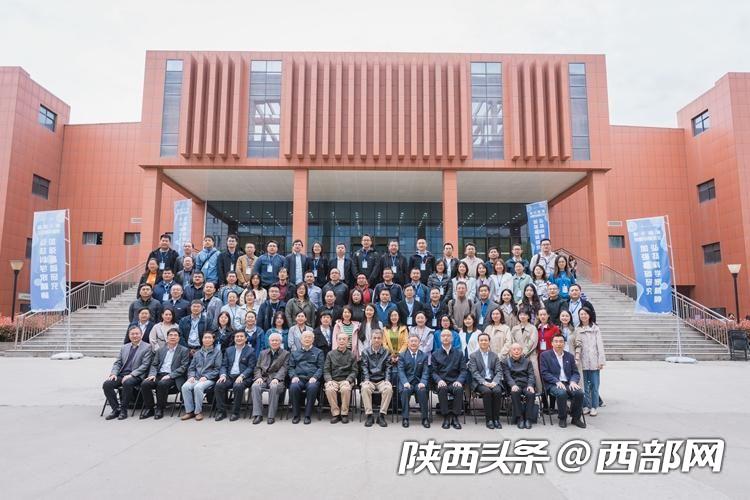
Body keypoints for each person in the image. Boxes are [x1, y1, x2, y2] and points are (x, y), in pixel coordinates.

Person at [103, 326, 153, 420]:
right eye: (132, 334)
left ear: (141, 335)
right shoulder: (124, 347)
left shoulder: (147, 347)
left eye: (137, 333)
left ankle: (123, 410)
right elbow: (118, 362)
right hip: (122, 374)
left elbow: (145, 365)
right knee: (107, 384)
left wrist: (131, 375)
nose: (135, 336)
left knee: (127, 382)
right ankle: (116, 409)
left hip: (137, 375)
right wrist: (113, 373)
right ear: (129, 335)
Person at [139, 328, 190, 419]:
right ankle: (150, 408)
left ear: (179, 338)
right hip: (159, 375)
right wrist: (152, 375)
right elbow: (154, 364)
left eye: (175, 335)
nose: (173, 337)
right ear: (167, 337)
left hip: (174, 376)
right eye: (171, 335)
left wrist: (170, 375)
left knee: (162, 384)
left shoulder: (184, 350)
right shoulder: (160, 350)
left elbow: (183, 367)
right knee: (145, 383)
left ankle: (160, 408)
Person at [540, 332, 586, 428]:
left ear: (564, 344)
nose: (558, 344)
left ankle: (575, 418)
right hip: (553, 383)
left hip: (568, 383)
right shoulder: (545, 355)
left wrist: (573, 381)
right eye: (556, 341)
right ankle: (562, 418)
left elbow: (575, 373)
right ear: (552, 343)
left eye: (561, 341)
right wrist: (556, 381)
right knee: (562, 393)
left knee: (579, 393)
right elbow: (544, 373)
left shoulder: (569, 356)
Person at [214, 331, 256, 422]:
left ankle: (235, 413)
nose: (239, 338)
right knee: (219, 385)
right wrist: (223, 375)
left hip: (243, 377)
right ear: (234, 338)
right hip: (229, 376)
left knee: (238, 386)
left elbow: (251, 367)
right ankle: (221, 412)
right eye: (237, 336)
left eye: (241, 336)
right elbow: (224, 365)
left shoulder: (251, 351)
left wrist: (242, 376)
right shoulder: (229, 350)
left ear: (246, 338)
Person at [180, 330, 222, 421]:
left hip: (209, 379)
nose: (207, 339)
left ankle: (198, 412)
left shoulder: (217, 352)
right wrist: (191, 376)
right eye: (205, 338)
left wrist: (207, 377)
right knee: (185, 387)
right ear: (202, 340)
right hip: (196, 377)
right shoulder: (197, 353)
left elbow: (217, 369)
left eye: (209, 338)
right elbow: (191, 368)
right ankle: (189, 411)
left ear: (213, 340)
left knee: (198, 387)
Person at [431, 329, 467, 429]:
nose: (446, 337)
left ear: (452, 338)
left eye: (448, 336)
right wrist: (439, 380)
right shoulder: (435, 354)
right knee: (442, 389)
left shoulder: (459, 353)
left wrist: (459, 381)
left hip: (455, 381)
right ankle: (446, 416)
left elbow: (463, 370)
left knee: (459, 389)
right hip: (441, 382)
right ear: (440, 338)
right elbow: (433, 372)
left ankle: (455, 417)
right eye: (443, 336)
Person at [251, 332, 290, 424]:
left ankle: (271, 416)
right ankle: (258, 415)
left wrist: (277, 378)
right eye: (272, 340)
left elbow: (284, 368)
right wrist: (258, 377)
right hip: (263, 378)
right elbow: (257, 367)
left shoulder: (286, 354)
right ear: (269, 342)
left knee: (274, 387)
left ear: (280, 342)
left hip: (277, 380)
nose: (274, 342)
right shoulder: (263, 353)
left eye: (277, 340)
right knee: (255, 386)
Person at [468, 332, 504, 429]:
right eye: (481, 340)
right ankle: (489, 420)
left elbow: (499, 371)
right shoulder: (473, 356)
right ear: (478, 342)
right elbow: (474, 372)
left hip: (493, 380)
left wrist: (494, 382)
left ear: (489, 342)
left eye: (485, 340)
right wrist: (484, 382)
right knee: (487, 392)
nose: (483, 342)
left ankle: (496, 419)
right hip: (480, 382)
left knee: (497, 391)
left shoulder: (494, 355)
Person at [289, 331, 325, 424]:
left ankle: (307, 415)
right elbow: (291, 367)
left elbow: (321, 367)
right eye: (305, 337)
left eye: (309, 337)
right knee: (293, 387)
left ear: (313, 340)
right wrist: (293, 376)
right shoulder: (295, 353)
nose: (307, 339)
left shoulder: (319, 352)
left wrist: (315, 377)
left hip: (312, 379)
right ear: (301, 340)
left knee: (312, 387)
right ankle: (296, 415)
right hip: (299, 378)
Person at [501, 307, 540, 391]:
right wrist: (516, 351)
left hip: (530, 354)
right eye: (521, 314)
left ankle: (537, 392)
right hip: (516, 354)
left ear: (528, 316)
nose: (522, 316)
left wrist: (523, 352)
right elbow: (512, 341)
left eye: (525, 315)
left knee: (534, 373)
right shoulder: (514, 328)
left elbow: (532, 342)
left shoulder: (533, 328)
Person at [575, 307, 606, 416]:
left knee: (594, 385)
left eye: (585, 314)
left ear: (589, 315)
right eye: (581, 314)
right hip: (582, 361)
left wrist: (601, 361)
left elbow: (600, 345)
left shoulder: (595, 328)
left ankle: (594, 406)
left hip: (594, 361)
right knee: (584, 386)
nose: (583, 316)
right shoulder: (577, 329)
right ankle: (586, 406)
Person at [397, 333, 431, 428]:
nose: (413, 343)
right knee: (405, 391)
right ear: (408, 343)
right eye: (411, 341)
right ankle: (405, 418)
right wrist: (405, 382)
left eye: (415, 341)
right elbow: (401, 371)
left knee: (422, 390)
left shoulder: (424, 356)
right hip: (407, 382)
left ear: (419, 343)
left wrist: (423, 382)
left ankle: (425, 418)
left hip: (419, 382)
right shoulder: (402, 355)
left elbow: (425, 371)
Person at [360, 330, 393, 427]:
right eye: (374, 338)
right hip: (369, 379)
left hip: (382, 380)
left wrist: (387, 380)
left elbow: (388, 368)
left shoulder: (386, 352)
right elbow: (364, 367)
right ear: (371, 339)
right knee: (365, 388)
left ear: (382, 339)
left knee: (388, 389)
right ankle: (369, 415)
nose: (377, 340)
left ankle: (381, 415)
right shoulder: (365, 352)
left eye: (379, 338)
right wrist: (366, 379)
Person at [324, 332, 358, 423]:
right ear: (336, 341)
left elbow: (354, 371)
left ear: (348, 341)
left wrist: (349, 380)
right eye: (339, 339)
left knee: (345, 389)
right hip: (333, 379)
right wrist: (329, 380)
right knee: (329, 389)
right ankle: (335, 414)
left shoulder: (352, 355)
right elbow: (326, 370)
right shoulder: (330, 354)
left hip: (346, 380)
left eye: (344, 339)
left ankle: (344, 413)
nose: (341, 341)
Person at [501, 343, 537, 429]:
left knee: (531, 394)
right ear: (510, 351)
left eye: (518, 349)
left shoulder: (527, 362)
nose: (516, 351)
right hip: (514, 384)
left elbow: (531, 375)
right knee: (515, 392)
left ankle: (528, 418)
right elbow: (507, 376)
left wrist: (530, 385)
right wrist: (512, 385)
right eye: (514, 349)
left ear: (521, 351)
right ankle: (519, 418)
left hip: (526, 384)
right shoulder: (506, 362)